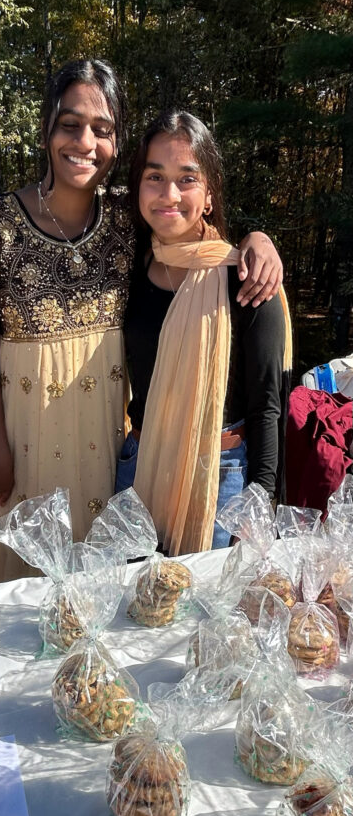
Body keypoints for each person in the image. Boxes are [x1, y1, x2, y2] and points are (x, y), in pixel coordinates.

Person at [0, 61, 285, 584]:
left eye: (102, 130)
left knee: (134, 611)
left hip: (127, 464)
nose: (84, 141)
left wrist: (257, 239)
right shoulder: (3, 226)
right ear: (46, 129)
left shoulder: (138, 238)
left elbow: (194, 240)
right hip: (45, 453)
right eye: (69, 123)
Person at [122, 110, 292, 554]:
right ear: (138, 186)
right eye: (154, 176)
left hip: (221, 480)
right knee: (135, 613)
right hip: (139, 469)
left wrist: (256, 506)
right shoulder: (129, 269)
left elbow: (267, 408)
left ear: (210, 193)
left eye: (187, 178)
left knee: (204, 620)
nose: (169, 194)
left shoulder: (247, 277)